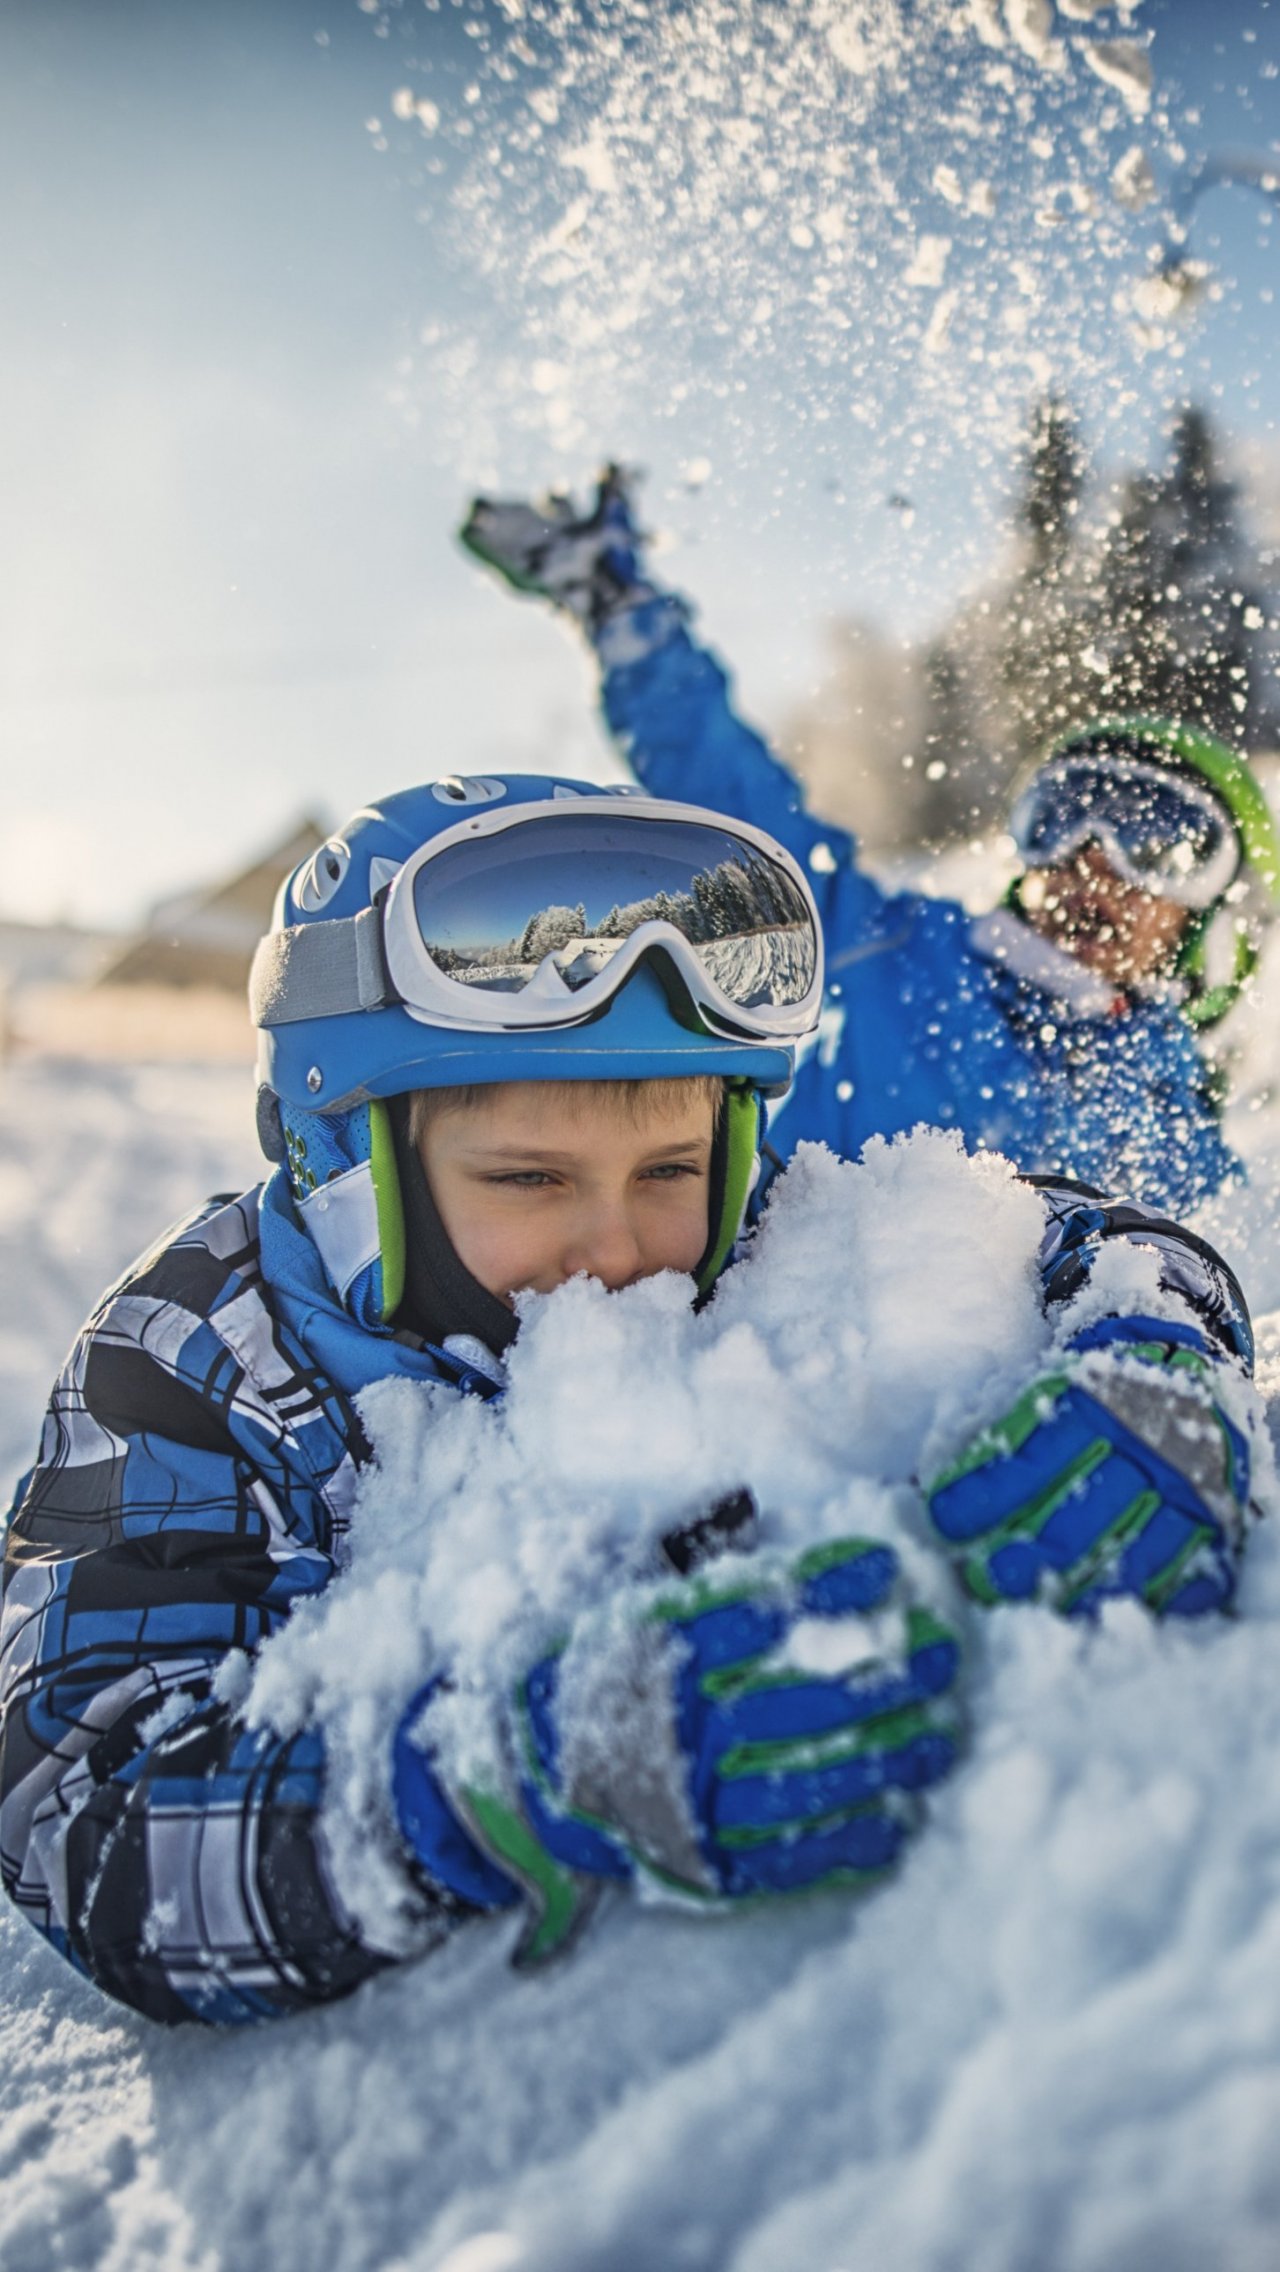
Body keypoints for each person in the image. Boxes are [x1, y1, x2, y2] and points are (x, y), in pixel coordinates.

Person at [0, 775, 1256, 2027]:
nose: (615, 1246)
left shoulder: (749, 1227)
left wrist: (1150, 1358)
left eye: (668, 1167)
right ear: (343, 1156)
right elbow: (76, 1817)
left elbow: (1085, 1229)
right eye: (529, 1175)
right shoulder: (191, 1359)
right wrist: (502, 1784)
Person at [461, 470, 1280, 1215]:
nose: (1094, 862)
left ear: (1214, 918)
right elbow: (743, 821)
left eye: (1161, 843)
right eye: (1063, 818)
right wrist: (622, 611)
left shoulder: (1176, 1122)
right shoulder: (903, 951)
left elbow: (1220, 1298)